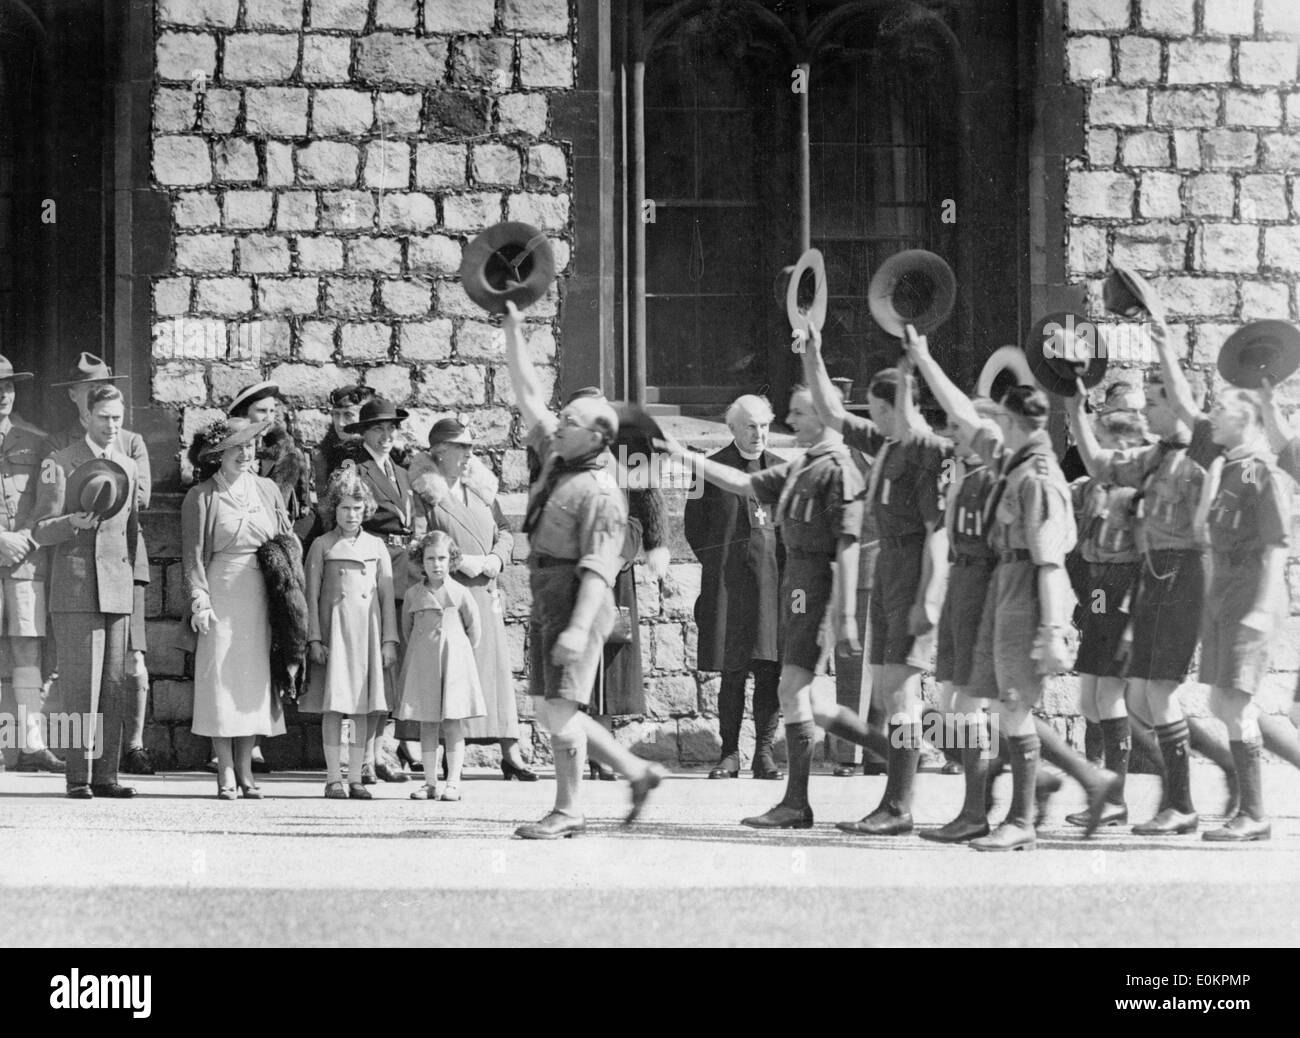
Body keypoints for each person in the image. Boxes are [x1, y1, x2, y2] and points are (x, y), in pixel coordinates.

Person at [900, 325, 1120, 850]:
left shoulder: (1036, 476)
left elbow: (1049, 563)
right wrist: (924, 357)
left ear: (1015, 422)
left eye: (997, 417)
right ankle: (979, 813)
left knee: (1013, 708)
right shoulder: (1013, 459)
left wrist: (1050, 630)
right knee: (981, 705)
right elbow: (962, 413)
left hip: (1027, 588)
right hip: (1005, 584)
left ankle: (1020, 821)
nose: (983, 427)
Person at [661, 376, 880, 831]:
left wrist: (841, 611)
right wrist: (685, 458)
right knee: (760, 678)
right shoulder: (782, 469)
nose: (777, 425)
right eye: (755, 424)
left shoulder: (823, 469)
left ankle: (784, 758)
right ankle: (757, 772)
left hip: (795, 588)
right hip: (754, 586)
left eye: (793, 414)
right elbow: (719, 503)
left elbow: (847, 542)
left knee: (783, 680)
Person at [503, 301, 665, 838]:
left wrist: (576, 628)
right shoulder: (559, 453)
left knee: (562, 710)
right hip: (550, 591)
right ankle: (636, 773)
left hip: (577, 599)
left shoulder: (603, 495)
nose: (558, 423)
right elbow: (528, 396)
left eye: (570, 422)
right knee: (557, 709)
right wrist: (514, 330)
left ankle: (569, 810)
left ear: (596, 437)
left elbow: (599, 571)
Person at [800, 325, 951, 836]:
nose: (873, 417)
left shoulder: (927, 449)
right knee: (889, 695)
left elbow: (936, 533)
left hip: (911, 573)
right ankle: (897, 797)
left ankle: (902, 805)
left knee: (905, 698)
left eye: (880, 409)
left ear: (899, 406)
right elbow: (831, 412)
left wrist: (929, 598)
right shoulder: (886, 443)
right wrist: (814, 351)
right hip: (888, 568)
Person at [408, 418, 536, 780]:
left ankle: (511, 753)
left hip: (486, 590)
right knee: (454, 674)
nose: (468, 456)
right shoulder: (425, 495)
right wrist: (458, 562)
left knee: (494, 674)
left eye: (470, 448)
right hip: (450, 594)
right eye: (460, 448)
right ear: (439, 452)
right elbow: (420, 543)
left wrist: (495, 558)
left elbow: (507, 532)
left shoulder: (481, 489)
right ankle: (453, 757)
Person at [31, 385, 142, 799]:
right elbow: (39, 530)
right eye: (104, 417)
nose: (112, 425)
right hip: (76, 586)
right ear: (85, 419)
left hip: (117, 584)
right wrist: (71, 523)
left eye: (118, 417)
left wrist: (132, 583)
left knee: (114, 683)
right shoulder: (59, 463)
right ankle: (78, 776)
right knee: (81, 685)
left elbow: (133, 532)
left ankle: (106, 775)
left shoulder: (128, 467)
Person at [182, 417, 291, 800]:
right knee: (219, 679)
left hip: (261, 594)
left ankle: (246, 769)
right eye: (237, 447)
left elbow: (285, 540)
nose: (246, 454)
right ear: (218, 453)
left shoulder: (267, 489)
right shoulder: (202, 496)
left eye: (250, 446)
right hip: (221, 593)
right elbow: (192, 557)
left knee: (253, 681)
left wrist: (288, 596)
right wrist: (199, 598)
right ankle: (224, 768)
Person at [683, 394, 785, 781]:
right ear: (733, 429)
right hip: (727, 587)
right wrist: (720, 565)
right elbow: (694, 529)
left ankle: (764, 752)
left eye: (764, 425)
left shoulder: (781, 471)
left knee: (769, 669)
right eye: (751, 426)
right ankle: (729, 752)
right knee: (732, 671)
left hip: (771, 588)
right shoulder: (707, 471)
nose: (759, 434)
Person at [916, 398, 1005, 842]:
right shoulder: (959, 475)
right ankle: (996, 783)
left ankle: (976, 810)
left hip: (982, 590)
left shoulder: (996, 477)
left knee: (972, 706)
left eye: (957, 426)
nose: (950, 434)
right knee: (949, 706)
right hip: (957, 587)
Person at [1060, 408, 1147, 829]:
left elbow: (1146, 562)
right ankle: (1098, 783)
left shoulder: (1137, 496)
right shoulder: (1090, 488)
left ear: (1126, 448)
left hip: (1122, 589)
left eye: (1101, 443)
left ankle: (1114, 798)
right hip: (1096, 590)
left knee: (1109, 695)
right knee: (1090, 695)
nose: (1091, 451)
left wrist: (1130, 620)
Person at [299, 463, 399, 800]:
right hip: (334, 634)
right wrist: (314, 637)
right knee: (333, 707)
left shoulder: (376, 547)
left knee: (360, 708)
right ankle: (332, 778)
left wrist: (388, 640)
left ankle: (356, 776)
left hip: (366, 637)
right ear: (334, 510)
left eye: (357, 509)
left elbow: (386, 598)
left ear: (366, 510)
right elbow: (310, 595)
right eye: (344, 508)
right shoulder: (322, 546)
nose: (351, 515)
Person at [343, 396, 423, 784]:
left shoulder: (402, 473)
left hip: (404, 575)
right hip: (372, 570)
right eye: (379, 428)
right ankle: (362, 758)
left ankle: (379, 753)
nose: (387, 435)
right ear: (364, 434)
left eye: (392, 429)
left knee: (392, 670)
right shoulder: (354, 471)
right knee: (372, 666)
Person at [0, 357, 61, 773]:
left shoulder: (37, 441)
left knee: (26, 647)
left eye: (8, 388)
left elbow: (50, 502)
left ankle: (31, 745)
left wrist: (25, 538)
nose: (3, 396)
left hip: (23, 560)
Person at [396, 530, 487, 802]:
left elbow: (475, 630)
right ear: (420, 561)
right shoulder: (414, 594)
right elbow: (407, 629)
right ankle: (430, 781)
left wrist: (458, 652)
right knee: (427, 723)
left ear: (452, 560)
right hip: (424, 663)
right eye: (430, 559)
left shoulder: (459, 593)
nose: (436, 564)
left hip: (454, 662)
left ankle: (454, 781)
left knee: (452, 722)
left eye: (442, 558)